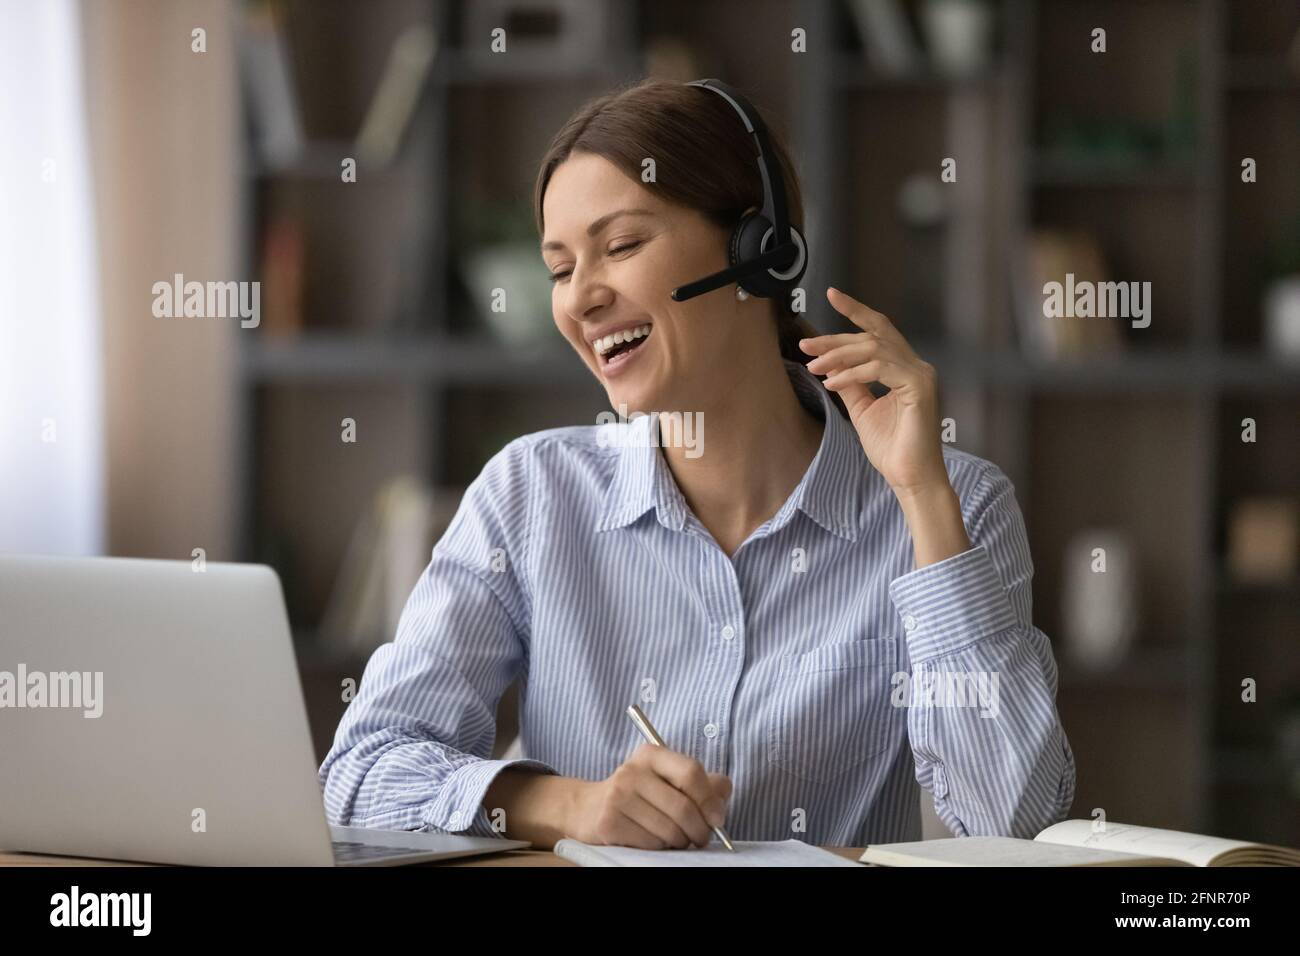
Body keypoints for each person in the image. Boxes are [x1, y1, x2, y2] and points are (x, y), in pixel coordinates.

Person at [318, 78, 1076, 851]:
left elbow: (1013, 826)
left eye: (621, 247)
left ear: (758, 254)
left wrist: (921, 498)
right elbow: (359, 772)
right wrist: (565, 806)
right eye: (558, 269)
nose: (580, 299)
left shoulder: (955, 502)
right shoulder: (531, 493)